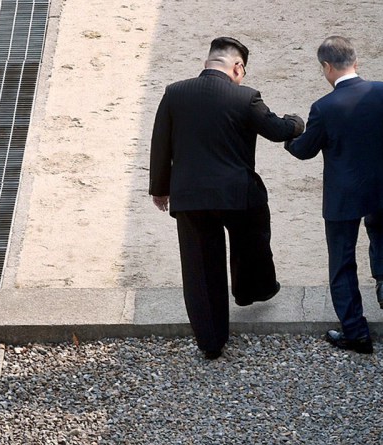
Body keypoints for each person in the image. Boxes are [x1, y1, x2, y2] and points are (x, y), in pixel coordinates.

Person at [149, 37, 304, 360]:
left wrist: (160, 189)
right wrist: (296, 123)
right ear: (237, 67)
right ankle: (251, 290)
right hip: (237, 194)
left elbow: (160, 144)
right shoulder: (245, 97)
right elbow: (277, 130)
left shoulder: (174, 93)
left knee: (200, 269)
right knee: (252, 236)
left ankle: (211, 342)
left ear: (207, 63)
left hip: (190, 197)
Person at [285, 36, 383, 354]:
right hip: (381, 185)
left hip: (344, 195)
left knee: (342, 260)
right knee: (381, 227)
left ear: (326, 66)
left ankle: (356, 333)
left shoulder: (323, 107)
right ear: (356, 61)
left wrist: (289, 137)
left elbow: (305, 150)